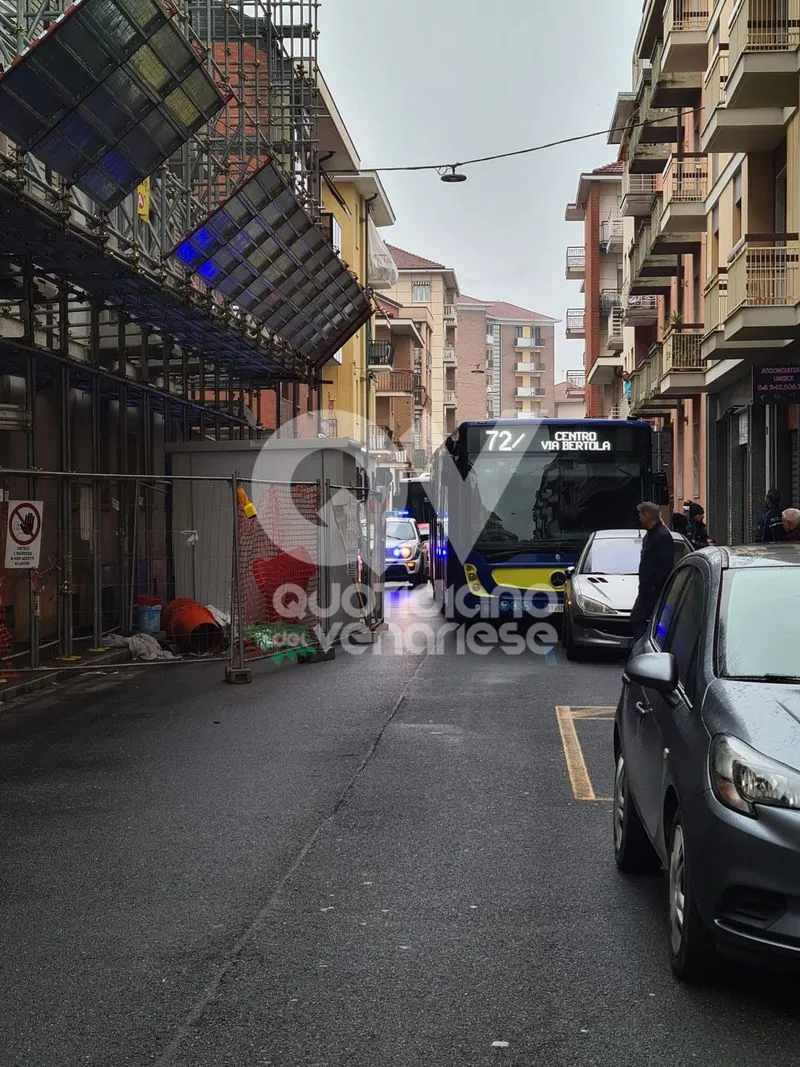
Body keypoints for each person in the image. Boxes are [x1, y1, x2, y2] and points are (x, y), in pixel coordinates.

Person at [630, 502, 676, 643]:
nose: (639, 518)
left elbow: (666, 565)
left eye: (640, 515)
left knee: (640, 621)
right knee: (638, 620)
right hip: (646, 590)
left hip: (654, 591)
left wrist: (654, 587)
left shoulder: (662, 536)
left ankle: (644, 650)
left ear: (648, 516)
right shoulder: (650, 535)